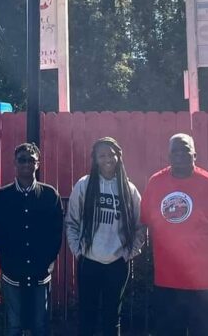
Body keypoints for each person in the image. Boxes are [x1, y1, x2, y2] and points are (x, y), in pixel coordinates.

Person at [140, 133, 208, 336]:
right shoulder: (156, 183)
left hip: (205, 281)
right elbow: (145, 222)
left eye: (185, 150)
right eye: (175, 151)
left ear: (195, 155)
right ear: (168, 155)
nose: (180, 154)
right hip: (167, 279)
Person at [65, 137, 145, 336]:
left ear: (119, 157)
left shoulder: (129, 189)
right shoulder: (84, 185)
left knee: (112, 316)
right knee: (87, 315)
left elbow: (140, 225)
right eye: (102, 155)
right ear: (95, 159)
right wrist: (78, 251)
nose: (107, 159)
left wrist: (128, 253)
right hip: (89, 261)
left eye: (111, 154)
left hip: (117, 262)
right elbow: (71, 222)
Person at [0, 143, 64, 336]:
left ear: (38, 164)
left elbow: (56, 232)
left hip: (40, 270)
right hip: (12, 270)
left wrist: (48, 262)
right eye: (22, 160)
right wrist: (6, 261)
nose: (26, 164)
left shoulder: (50, 195)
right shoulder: (2, 196)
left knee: (40, 324)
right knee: (14, 325)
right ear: (14, 163)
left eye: (31, 160)